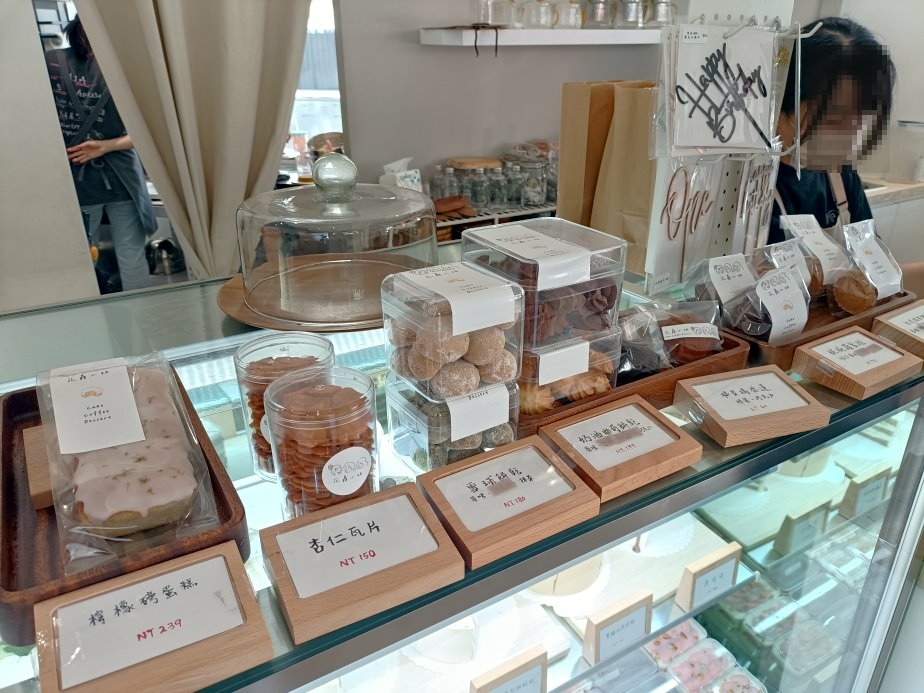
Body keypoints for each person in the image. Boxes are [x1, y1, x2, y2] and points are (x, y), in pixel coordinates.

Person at [45, 16, 156, 291]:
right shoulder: (128, 67)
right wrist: (107, 146)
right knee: (131, 256)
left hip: (76, 175)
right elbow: (151, 132)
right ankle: (140, 313)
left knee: (84, 259)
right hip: (122, 177)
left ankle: (95, 311)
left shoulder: (51, 62)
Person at [769, 17, 895, 244]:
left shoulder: (841, 177)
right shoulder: (755, 188)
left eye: (861, 117)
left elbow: (870, 256)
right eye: (834, 118)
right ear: (781, 105)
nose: (849, 135)